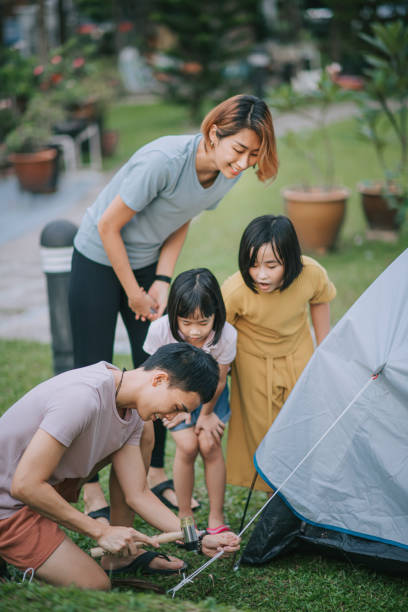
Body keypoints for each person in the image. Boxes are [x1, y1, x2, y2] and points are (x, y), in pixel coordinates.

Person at [68, 93, 278, 515]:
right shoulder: (163, 160)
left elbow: (183, 214)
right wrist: (133, 291)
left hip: (146, 265)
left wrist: (162, 279)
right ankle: (88, 483)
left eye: (253, 156)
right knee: (93, 368)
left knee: (161, 366)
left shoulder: (226, 172)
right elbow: (108, 225)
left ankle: (154, 469)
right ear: (214, 132)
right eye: (239, 150)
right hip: (98, 256)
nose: (242, 164)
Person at [0, 344, 240, 590]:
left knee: (145, 432)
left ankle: (113, 556)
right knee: (95, 586)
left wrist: (198, 538)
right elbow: (24, 485)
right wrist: (100, 531)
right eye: (177, 407)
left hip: (34, 492)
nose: (171, 417)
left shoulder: (131, 410)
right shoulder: (83, 397)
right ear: (159, 379)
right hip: (9, 504)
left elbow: (138, 494)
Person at [222, 215, 337, 491]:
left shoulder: (312, 273)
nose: (261, 274)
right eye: (253, 265)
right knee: (262, 430)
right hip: (254, 362)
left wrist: (323, 349)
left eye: (271, 265)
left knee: (304, 423)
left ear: (291, 258)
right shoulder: (234, 290)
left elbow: (320, 300)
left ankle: (302, 488)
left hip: (299, 352)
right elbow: (219, 337)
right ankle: (275, 492)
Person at [144, 269, 237, 534]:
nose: (194, 331)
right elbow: (151, 376)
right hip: (172, 396)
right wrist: (171, 409)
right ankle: (185, 516)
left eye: (203, 322)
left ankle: (216, 518)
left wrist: (205, 414)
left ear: (216, 314)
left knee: (209, 444)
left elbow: (219, 381)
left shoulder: (226, 335)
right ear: (173, 314)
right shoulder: (160, 330)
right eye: (185, 322)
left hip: (210, 398)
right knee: (187, 447)